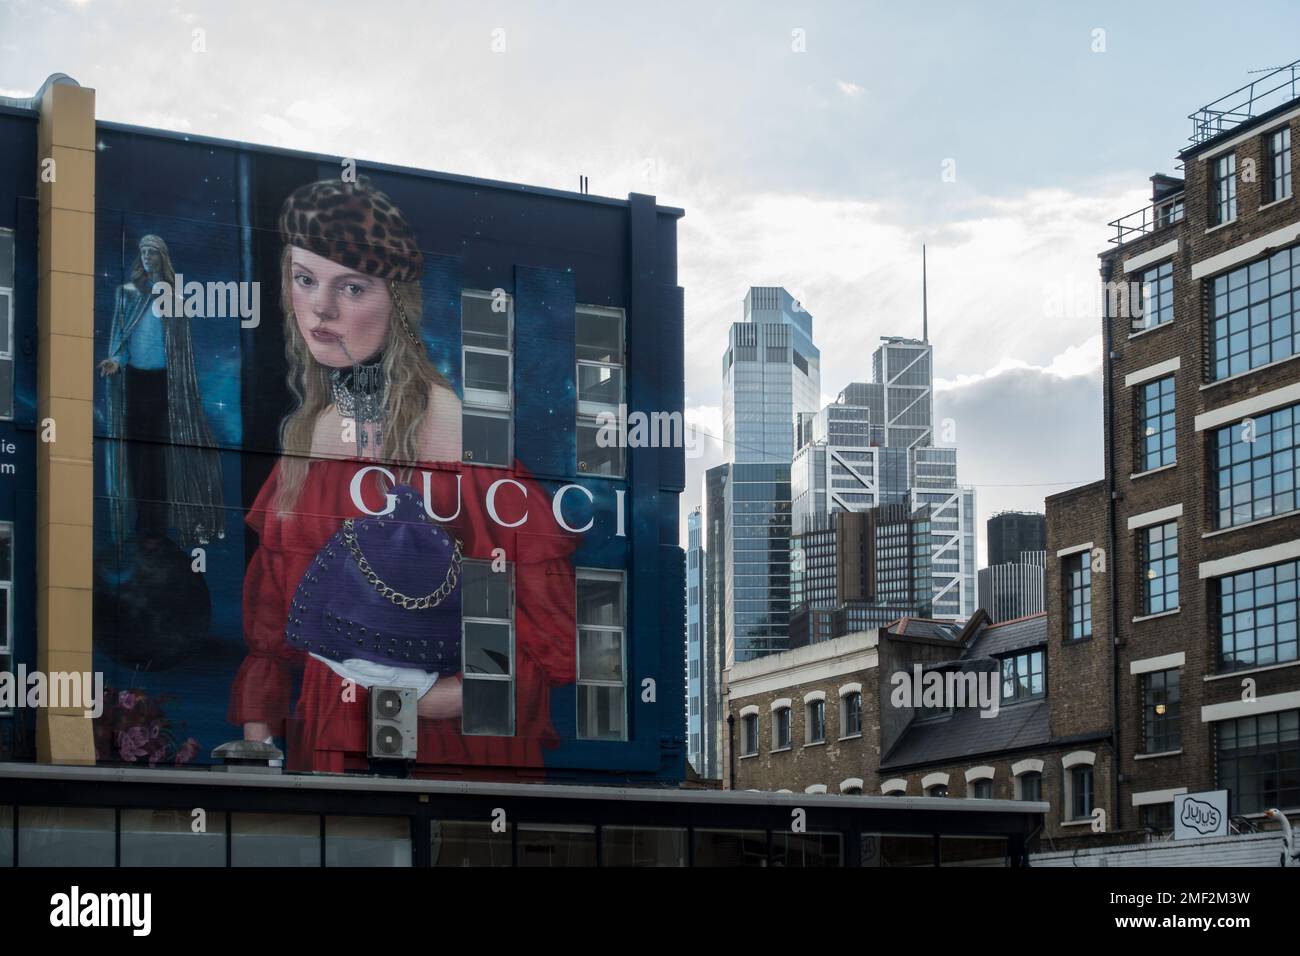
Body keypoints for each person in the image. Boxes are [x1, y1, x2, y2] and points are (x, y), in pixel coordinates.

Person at [227, 178, 577, 775]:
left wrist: (438, 697)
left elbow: (538, 621)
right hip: (332, 736)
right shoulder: (307, 437)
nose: (321, 309)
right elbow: (271, 620)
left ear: (397, 300)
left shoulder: (456, 432)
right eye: (305, 279)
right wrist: (259, 741)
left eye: (352, 287)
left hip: (446, 748)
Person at [99, 234, 224, 548]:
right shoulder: (127, 294)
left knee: (161, 458)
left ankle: (158, 525)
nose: (146, 257)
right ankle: (141, 523)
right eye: (142, 252)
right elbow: (122, 340)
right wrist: (115, 360)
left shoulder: (174, 300)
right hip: (136, 385)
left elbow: (181, 352)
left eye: (152, 252)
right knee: (138, 455)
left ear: (162, 257)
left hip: (166, 388)